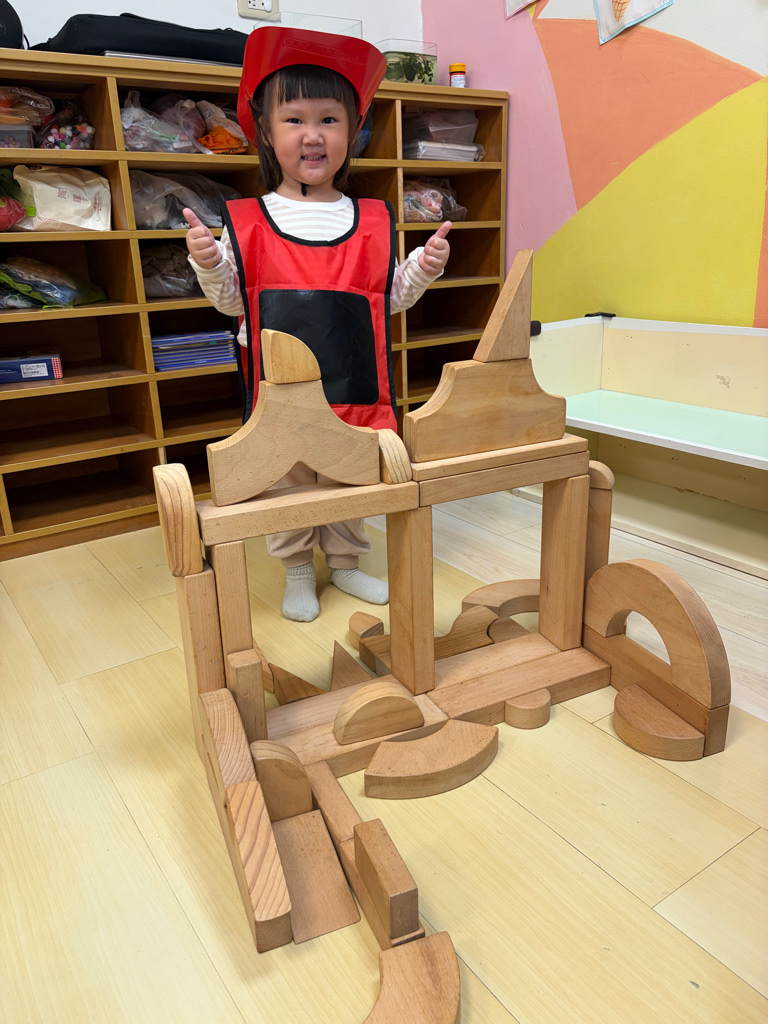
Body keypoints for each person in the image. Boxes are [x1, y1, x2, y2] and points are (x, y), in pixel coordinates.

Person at [185, 26, 451, 622]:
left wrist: (421, 269)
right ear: (266, 131)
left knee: (350, 478)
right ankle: (299, 571)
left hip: (352, 386)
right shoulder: (247, 221)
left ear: (353, 132)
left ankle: (347, 564)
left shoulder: (373, 218)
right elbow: (232, 305)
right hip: (279, 391)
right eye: (295, 120)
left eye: (329, 119)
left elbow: (387, 302)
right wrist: (211, 264)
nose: (313, 135)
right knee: (287, 480)